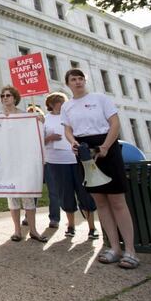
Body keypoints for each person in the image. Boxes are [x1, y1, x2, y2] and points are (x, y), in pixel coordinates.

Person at [61, 69, 139, 269]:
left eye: (80, 79)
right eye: (73, 79)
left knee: (117, 200)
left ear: (84, 81)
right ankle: (114, 248)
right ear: (68, 83)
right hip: (84, 150)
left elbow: (115, 123)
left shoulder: (100, 99)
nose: (78, 82)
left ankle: (130, 250)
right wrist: (73, 143)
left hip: (107, 147)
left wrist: (105, 146)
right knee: (100, 201)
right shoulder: (67, 106)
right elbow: (68, 130)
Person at [43, 92, 98, 240]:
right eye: (59, 102)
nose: (62, 105)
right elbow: (38, 140)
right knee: (65, 194)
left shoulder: (72, 117)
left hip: (76, 160)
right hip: (56, 161)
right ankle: (71, 225)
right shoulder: (45, 120)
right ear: (52, 104)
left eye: (63, 102)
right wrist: (49, 138)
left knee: (85, 193)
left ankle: (92, 227)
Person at [0, 85, 47, 243]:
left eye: (8, 95)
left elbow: (35, 132)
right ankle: (17, 231)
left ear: (14, 98)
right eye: (3, 95)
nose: (5, 97)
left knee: (28, 196)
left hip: (24, 160)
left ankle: (33, 230)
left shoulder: (25, 115)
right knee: (12, 196)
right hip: (7, 161)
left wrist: (39, 120)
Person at [29, 103, 60, 229]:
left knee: (53, 192)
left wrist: (48, 137)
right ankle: (29, 216)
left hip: (48, 162)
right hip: (34, 163)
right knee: (32, 192)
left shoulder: (46, 125)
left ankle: (54, 218)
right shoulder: (26, 129)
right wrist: (48, 139)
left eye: (37, 115)